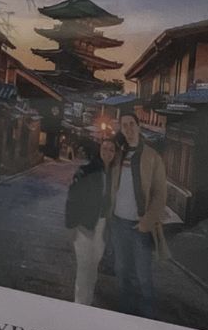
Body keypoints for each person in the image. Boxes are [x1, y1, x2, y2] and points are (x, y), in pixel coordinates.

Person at [107, 112, 168, 318]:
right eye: (124, 125)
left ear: (139, 126)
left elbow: (160, 194)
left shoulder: (152, 157)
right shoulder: (118, 154)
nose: (129, 128)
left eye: (132, 124)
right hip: (118, 222)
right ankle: (126, 313)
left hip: (139, 225)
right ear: (121, 129)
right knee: (122, 270)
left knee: (143, 276)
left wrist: (146, 222)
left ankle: (148, 318)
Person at [64, 136, 114, 304]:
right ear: (100, 151)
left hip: (102, 227)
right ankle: (79, 305)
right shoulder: (87, 171)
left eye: (111, 150)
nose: (107, 152)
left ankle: (88, 305)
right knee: (84, 269)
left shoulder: (115, 176)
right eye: (104, 148)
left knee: (93, 270)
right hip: (84, 226)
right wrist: (71, 226)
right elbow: (73, 198)